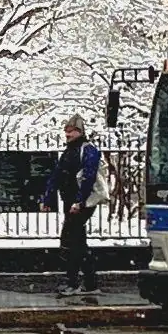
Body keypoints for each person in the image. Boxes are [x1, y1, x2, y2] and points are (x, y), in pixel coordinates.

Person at [48, 114, 103, 295]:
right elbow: (57, 175)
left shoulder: (87, 150)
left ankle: (74, 282)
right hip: (71, 201)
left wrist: (79, 201)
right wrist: (48, 197)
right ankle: (89, 282)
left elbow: (88, 176)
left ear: (80, 131)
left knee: (71, 241)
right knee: (78, 241)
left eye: (71, 131)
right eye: (67, 131)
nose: (68, 134)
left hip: (81, 203)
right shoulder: (71, 151)